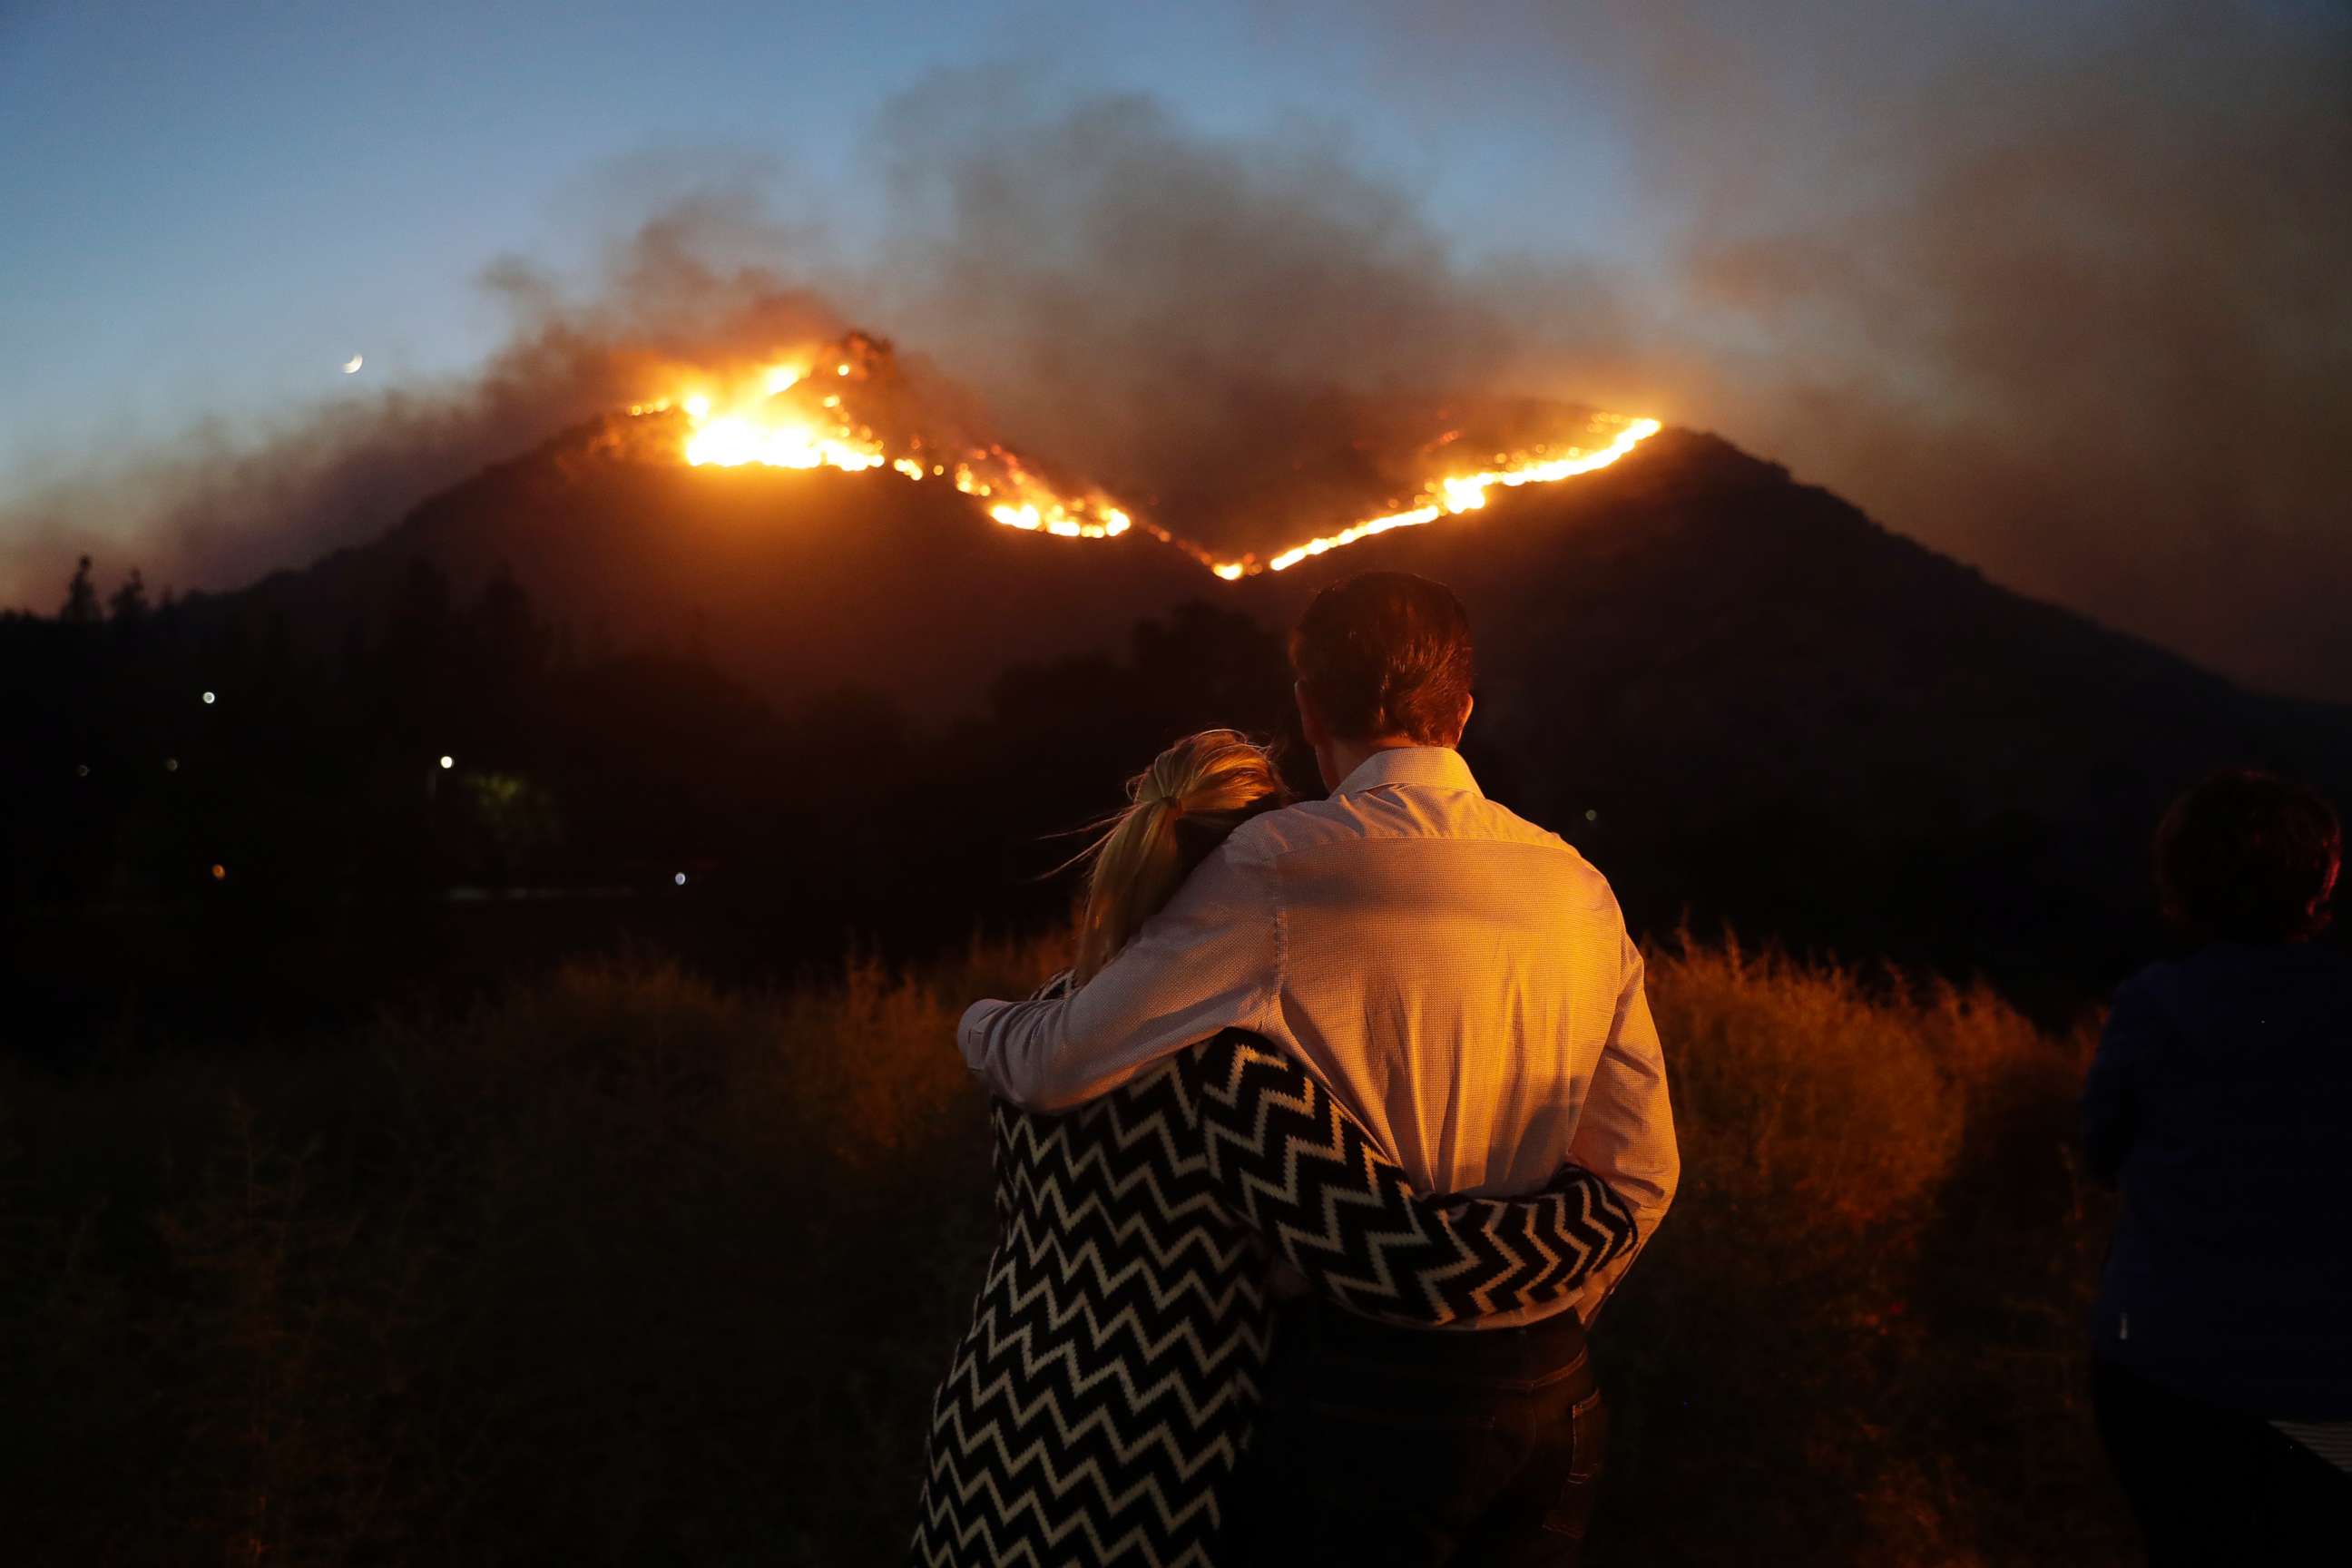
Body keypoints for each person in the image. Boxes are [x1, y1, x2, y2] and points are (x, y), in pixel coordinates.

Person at [961, 573, 1680, 1563]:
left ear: (1307, 711)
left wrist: (978, 1023)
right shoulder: (1578, 886)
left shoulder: (1278, 866)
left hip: (1365, 1398)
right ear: (1463, 712)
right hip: (1558, 1398)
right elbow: (1641, 1172)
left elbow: (1061, 1065)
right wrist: (1532, 1311)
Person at [2082, 769, 2352, 1560]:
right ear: (2323, 877)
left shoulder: (2153, 1005)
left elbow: (2105, 1151)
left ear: (2182, 881)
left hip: (2167, 1375)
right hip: (2330, 1391)